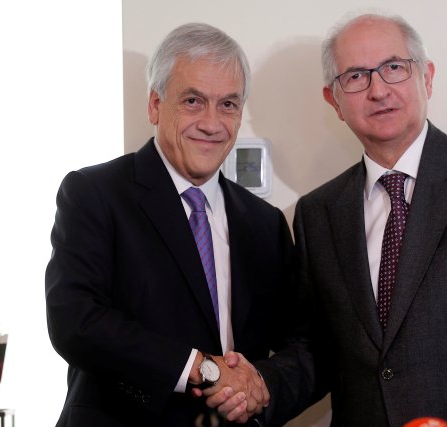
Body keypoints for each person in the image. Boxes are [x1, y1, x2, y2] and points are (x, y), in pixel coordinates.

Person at [209, 12, 447, 426]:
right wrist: (258, 386)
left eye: (393, 68)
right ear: (333, 101)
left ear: (426, 77)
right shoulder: (318, 214)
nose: (378, 90)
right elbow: (319, 351)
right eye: (355, 76)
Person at [45, 22, 291, 426]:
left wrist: (259, 384)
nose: (212, 123)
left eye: (228, 104)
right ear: (155, 105)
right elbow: (76, 321)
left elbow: (297, 344)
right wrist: (202, 368)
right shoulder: (94, 193)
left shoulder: (266, 223)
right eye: (193, 101)